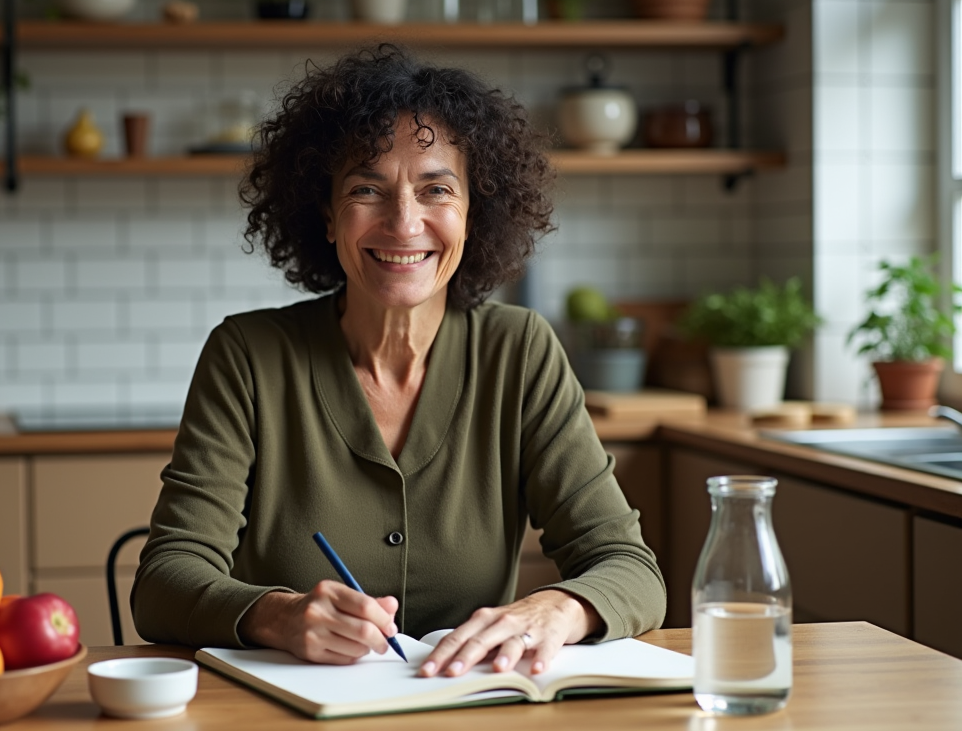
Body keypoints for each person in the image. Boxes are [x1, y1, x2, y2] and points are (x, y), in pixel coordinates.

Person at [132, 45, 665, 679]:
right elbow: (164, 581)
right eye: (366, 189)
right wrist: (276, 614)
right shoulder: (248, 356)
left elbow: (632, 570)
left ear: (472, 213)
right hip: (290, 727)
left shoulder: (520, 351)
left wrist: (559, 608)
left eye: (436, 188)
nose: (404, 222)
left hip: (471, 721)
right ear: (328, 216)